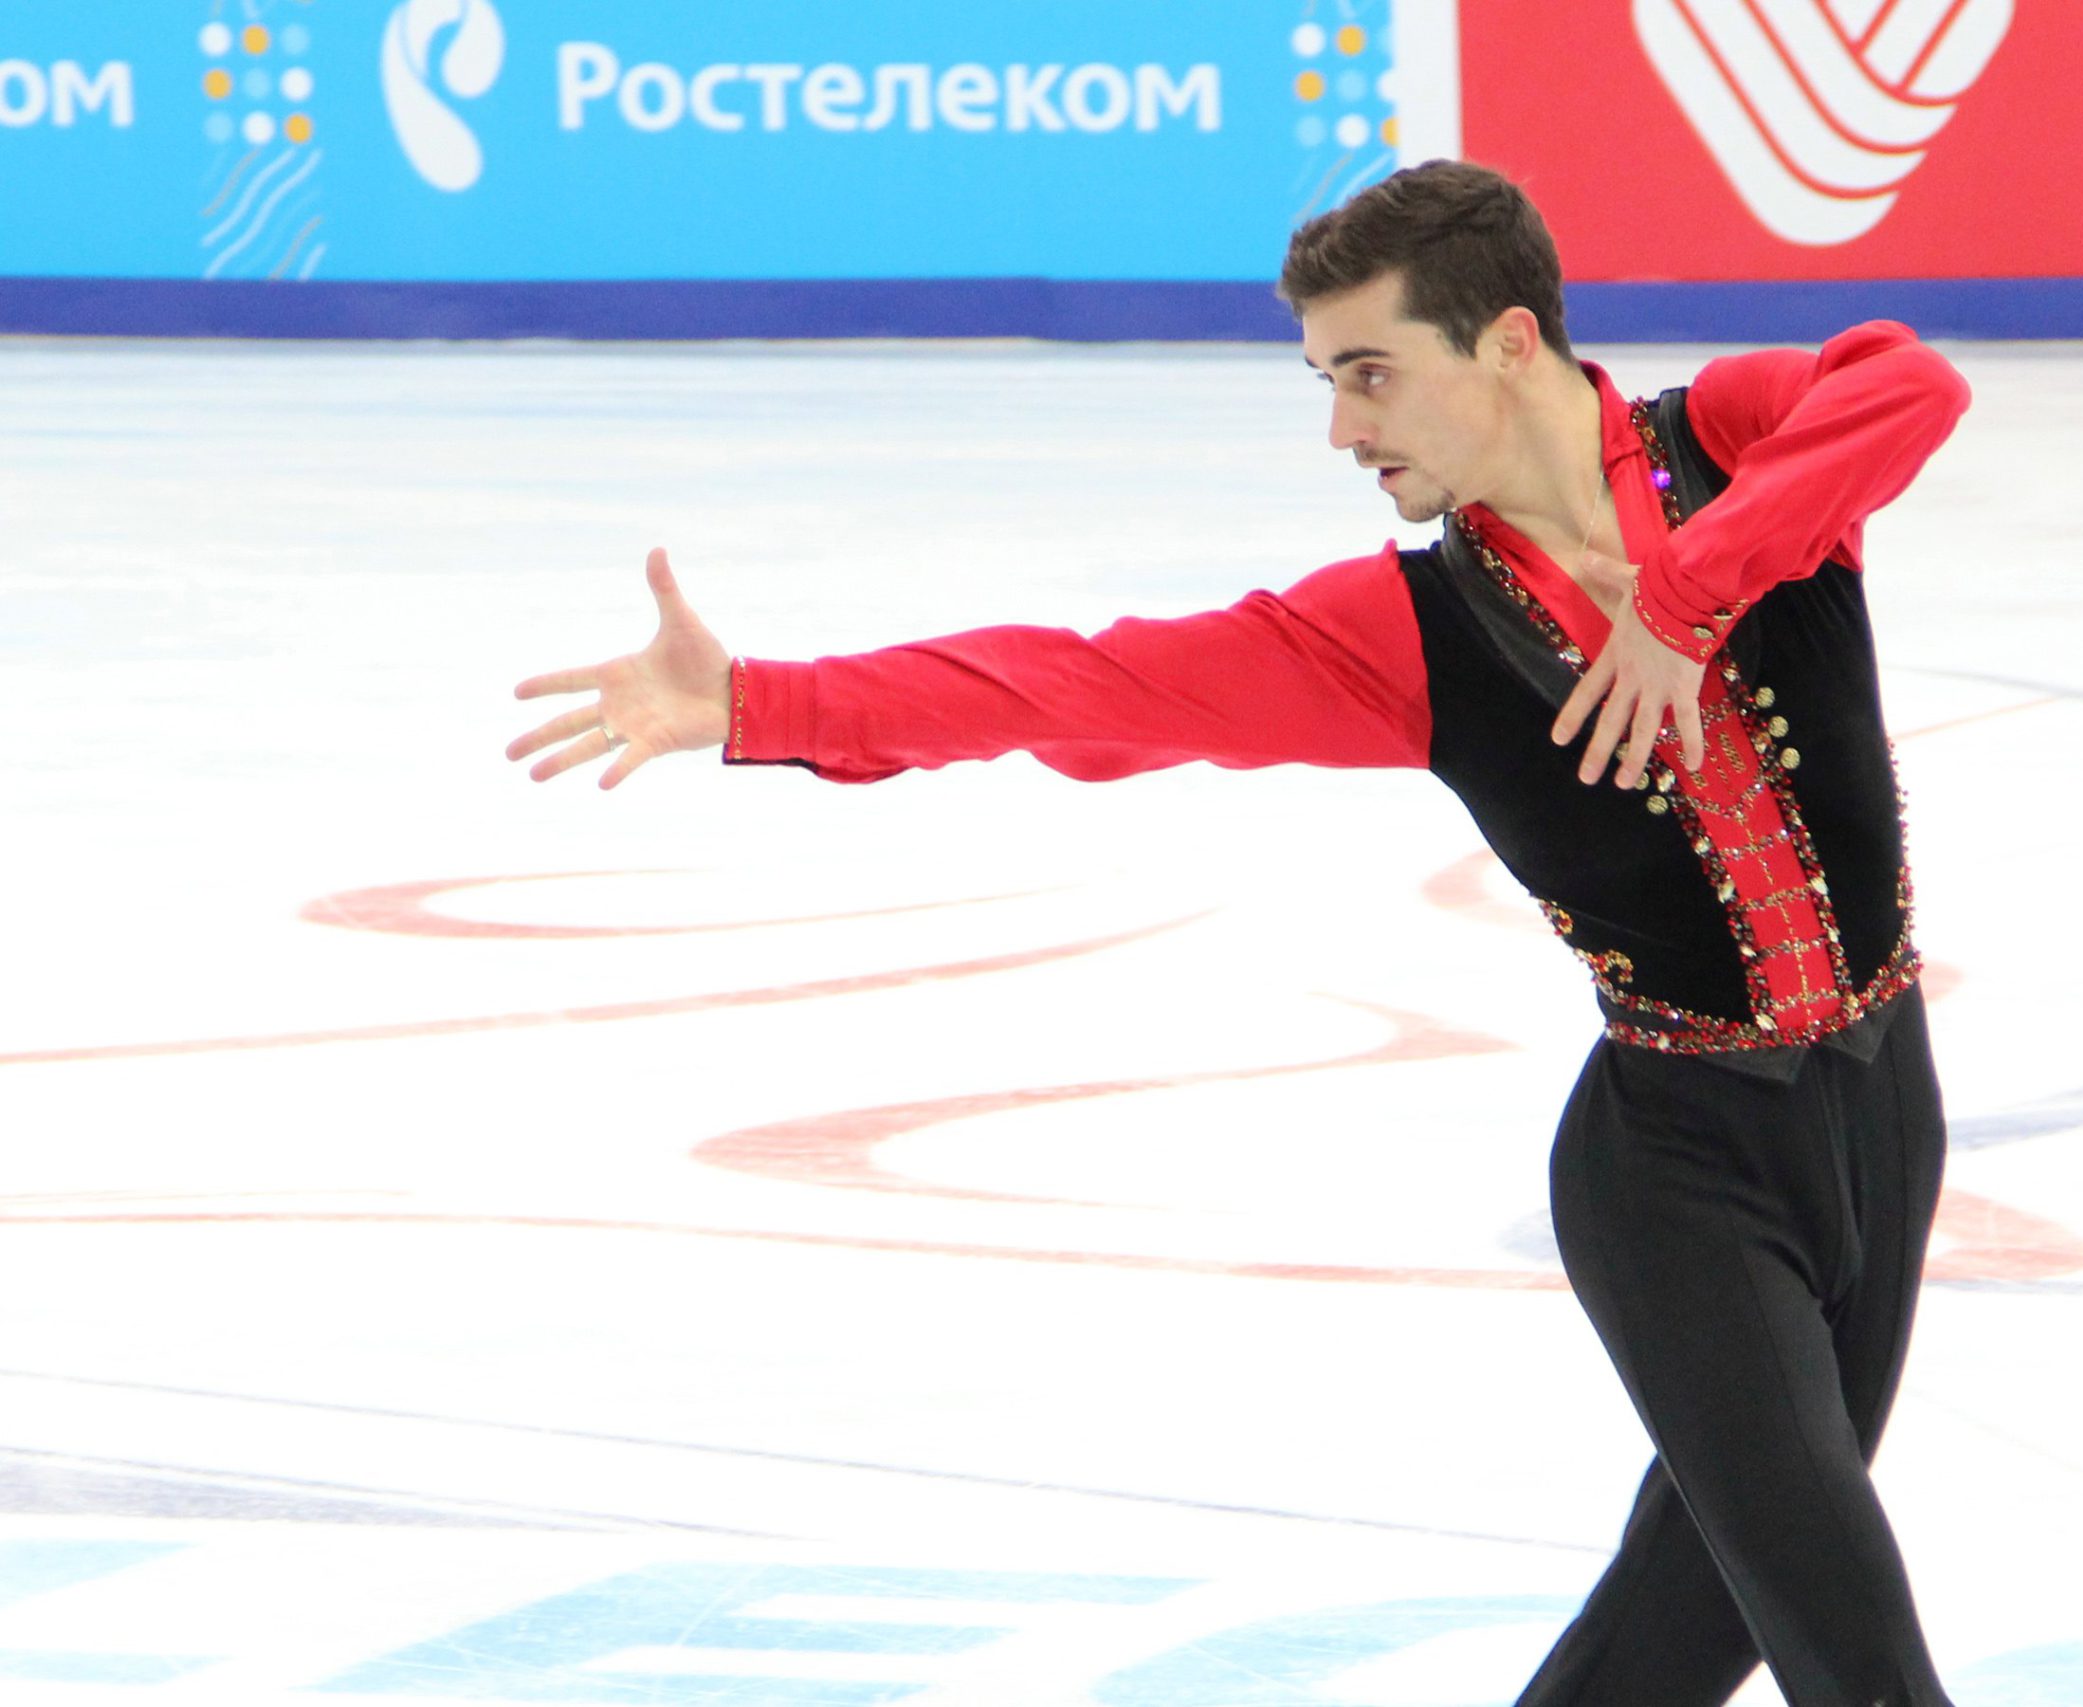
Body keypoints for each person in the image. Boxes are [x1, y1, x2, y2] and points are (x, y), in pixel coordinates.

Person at [506, 160, 1971, 1707]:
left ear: (1512, 346)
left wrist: (1689, 594)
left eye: (1371, 375)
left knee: (1687, 1626)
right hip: (1676, 1171)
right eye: (1329, 383)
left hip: (1885, 1110)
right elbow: (1079, 684)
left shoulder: (1734, 446)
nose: (1343, 428)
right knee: (1853, 1655)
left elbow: (1907, 383)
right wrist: (760, 704)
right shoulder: (1402, 633)